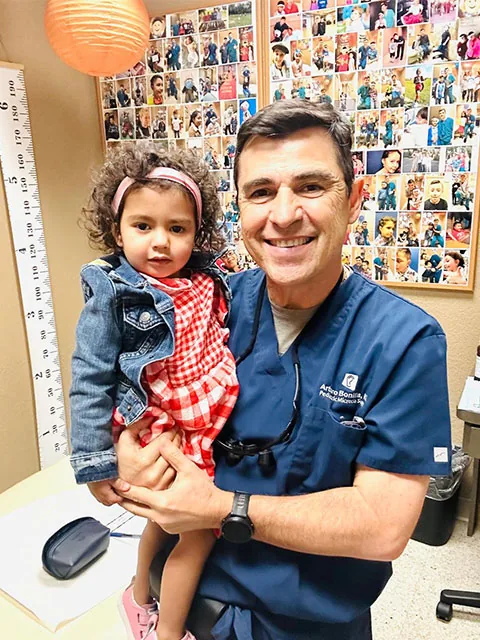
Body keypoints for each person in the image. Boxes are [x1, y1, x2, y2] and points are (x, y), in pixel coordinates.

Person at [111, 101, 451, 640]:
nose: (284, 214)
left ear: (355, 200)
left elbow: (384, 527)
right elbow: (130, 386)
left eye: (312, 187)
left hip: (303, 623)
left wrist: (224, 509)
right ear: (241, 207)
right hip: (179, 601)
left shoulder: (404, 340)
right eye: (261, 192)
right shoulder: (207, 301)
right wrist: (122, 454)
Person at [69, 145, 239, 640]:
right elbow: (89, 375)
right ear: (117, 227)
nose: (160, 242)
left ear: (196, 232)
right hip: (161, 428)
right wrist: (95, 465)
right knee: (200, 534)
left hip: (204, 420)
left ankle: (138, 595)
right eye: (143, 226)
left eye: (177, 228)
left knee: (165, 522)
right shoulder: (114, 290)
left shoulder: (207, 278)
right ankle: (166, 633)